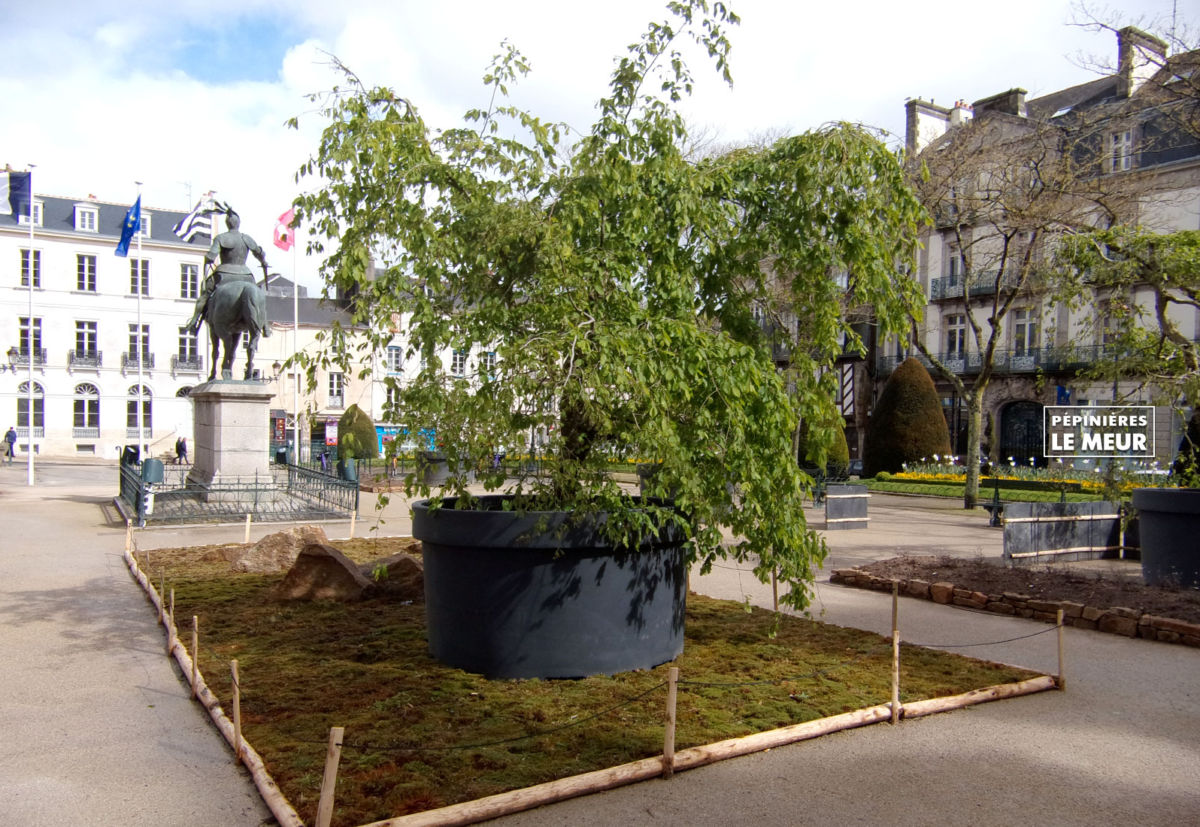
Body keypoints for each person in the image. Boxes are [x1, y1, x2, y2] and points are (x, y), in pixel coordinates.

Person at [184, 209, 271, 337]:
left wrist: (207, 258)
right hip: (246, 275)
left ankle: (194, 321)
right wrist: (263, 261)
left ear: (227, 224)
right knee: (257, 295)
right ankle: (265, 325)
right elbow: (259, 253)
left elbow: (212, 256)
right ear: (238, 223)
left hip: (224, 274)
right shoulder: (246, 238)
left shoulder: (221, 238)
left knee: (205, 294)